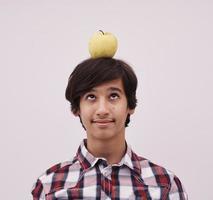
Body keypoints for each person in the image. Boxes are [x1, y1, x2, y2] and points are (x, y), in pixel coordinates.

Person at [31, 58, 188, 199]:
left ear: (130, 105)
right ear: (77, 108)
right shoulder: (49, 186)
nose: (102, 110)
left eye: (113, 96)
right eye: (91, 97)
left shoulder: (165, 186)